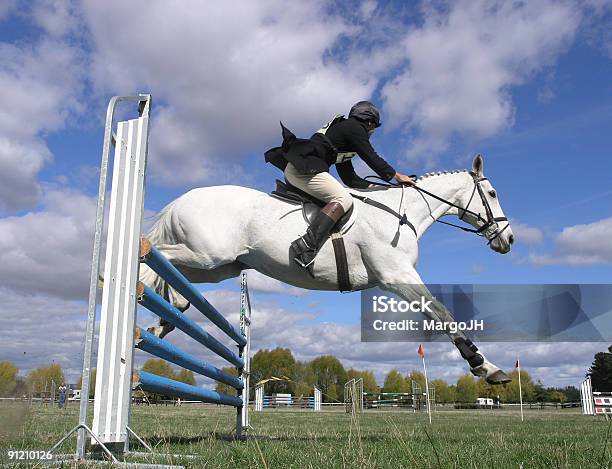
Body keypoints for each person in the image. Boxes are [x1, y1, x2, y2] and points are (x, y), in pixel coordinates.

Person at [265, 101, 415, 271]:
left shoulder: (344, 138)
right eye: (373, 127)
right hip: (304, 169)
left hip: (304, 168)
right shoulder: (354, 127)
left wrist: (380, 188)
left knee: (345, 195)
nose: (372, 132)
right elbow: (371, 157)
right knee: (342, 198)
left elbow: (350, 179)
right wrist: (396, 176)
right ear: (369, 122)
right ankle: (306, 246)